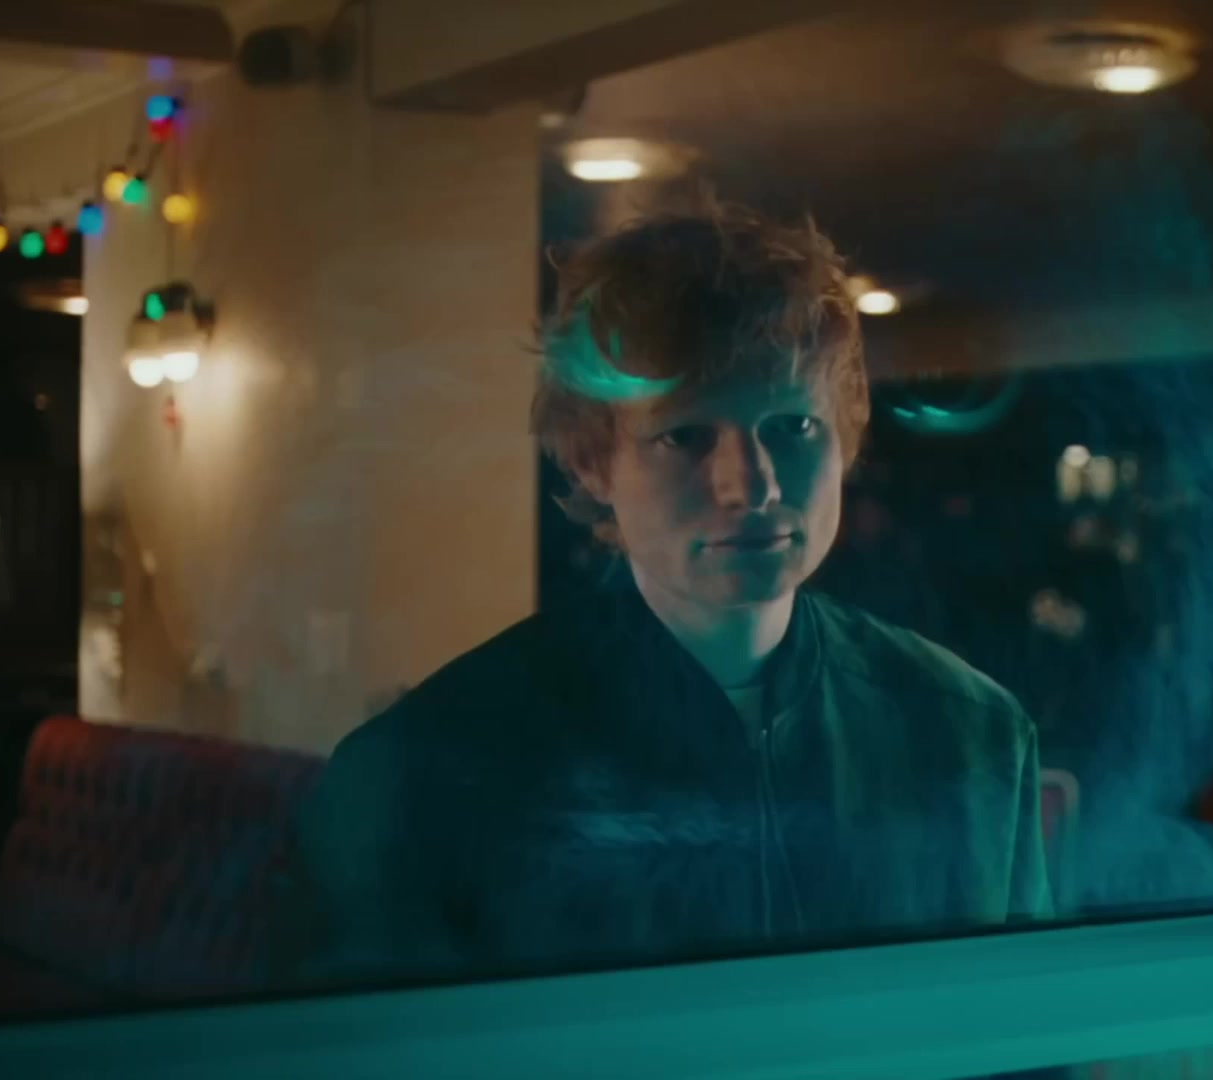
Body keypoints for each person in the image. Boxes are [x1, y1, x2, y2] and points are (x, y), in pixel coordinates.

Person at [277, 203, 1051, 988]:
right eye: (684, 435)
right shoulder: (430, 771)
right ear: (591, 464)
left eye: (792, 427)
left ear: (845, 437)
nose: (751, 485)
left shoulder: (971, 734)